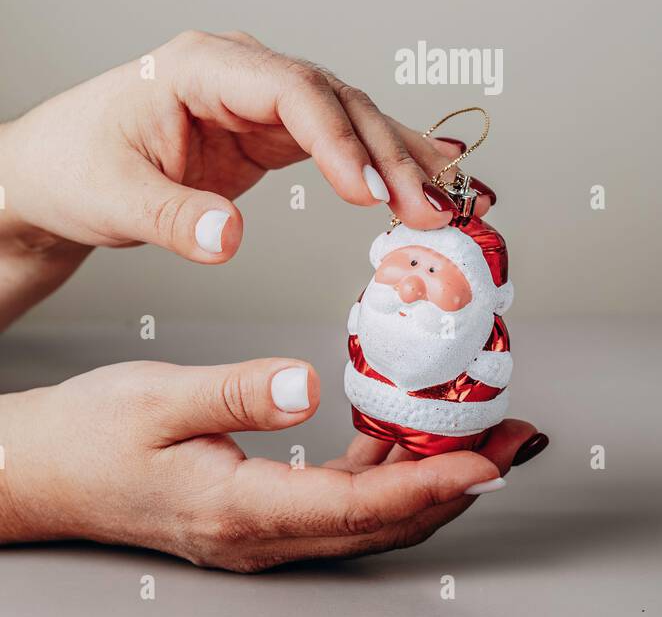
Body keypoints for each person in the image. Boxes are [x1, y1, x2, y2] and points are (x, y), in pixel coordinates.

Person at [0, 29, 546, 571]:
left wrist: (17, 195)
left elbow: (486, 367)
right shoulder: (379, 306)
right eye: (409, 265)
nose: (410, 284)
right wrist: (30, 476)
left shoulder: (478, 329)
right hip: (379, 395)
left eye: (431, 270)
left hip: (439, 410)